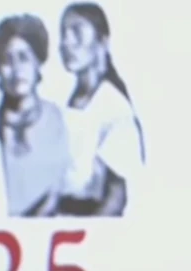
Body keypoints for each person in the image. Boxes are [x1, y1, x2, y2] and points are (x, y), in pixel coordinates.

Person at [57, 2, 145, 217]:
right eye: (63, 34)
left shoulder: (113, 107)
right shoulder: (69, 102)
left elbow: (116, 197)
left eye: (77, 32)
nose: (67, 43)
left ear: (103, 42)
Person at [0, 14, 70, 217]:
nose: (16, 70)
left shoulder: (62, 122)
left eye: (24, 58)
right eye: (7, 61)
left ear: (38, 63)